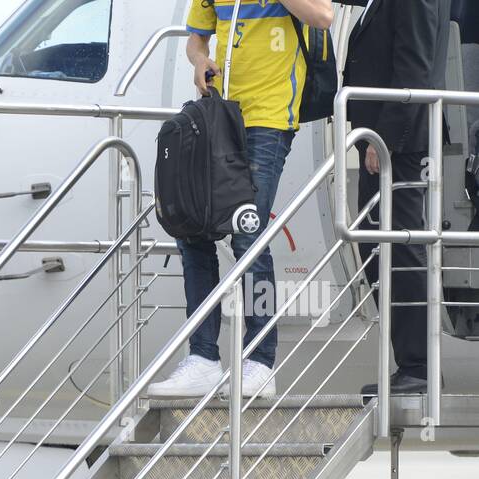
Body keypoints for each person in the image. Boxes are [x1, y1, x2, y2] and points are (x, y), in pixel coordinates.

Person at [148, 0, 335, 399]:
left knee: (247, 232)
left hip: (267, 119)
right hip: (218, 116)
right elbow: (196, 39)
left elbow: (322, 16)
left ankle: (261, 360)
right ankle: (202, 358)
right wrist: (200, 61)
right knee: (193, 233)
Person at [337, 0, 452, 396]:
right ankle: (411, 364)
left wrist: (386, 137)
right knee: (377, 246)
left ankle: (419, 368)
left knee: (400, 246)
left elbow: (414, 67)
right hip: (380, 140)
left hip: (396, 145)